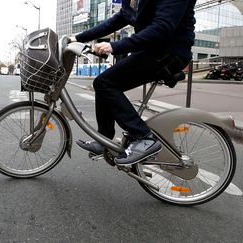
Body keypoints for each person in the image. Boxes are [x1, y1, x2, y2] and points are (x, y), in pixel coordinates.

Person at [71, 0, 196, 165]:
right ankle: (104, 140)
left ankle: (144, 137)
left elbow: (162, 27)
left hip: (170, 51)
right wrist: (77, 38)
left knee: (105, 83)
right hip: (151, 49)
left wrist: (115, 46)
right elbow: (118, 20)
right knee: (103, 83)